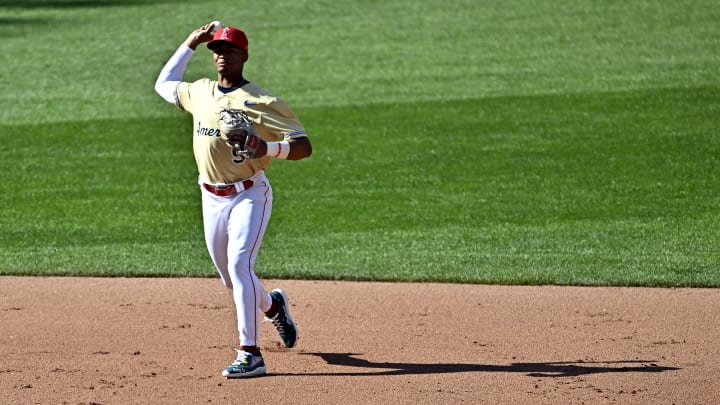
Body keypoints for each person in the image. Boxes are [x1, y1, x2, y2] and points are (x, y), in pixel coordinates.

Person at [154, 22, 312, 378]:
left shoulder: (262, 101)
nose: (222, 56)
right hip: (210, 197)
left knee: (241, 265)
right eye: (217, 51)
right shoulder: (200, 92)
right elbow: (162, 85)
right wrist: (191, 42)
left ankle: (249, 353)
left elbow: (304, 146)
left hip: (250, 194)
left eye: (229, 51)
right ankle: (273, 308)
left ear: (243, 56)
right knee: (231, 277)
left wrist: (265, 147)